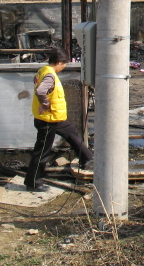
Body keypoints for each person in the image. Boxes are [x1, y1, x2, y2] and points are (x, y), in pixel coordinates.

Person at [24, 47, 94, 192]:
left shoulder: (43, 70)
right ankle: (33, 182)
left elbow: (36, 82)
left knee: (71, 132)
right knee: (42, 151)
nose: (64, 67)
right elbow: (40, 91)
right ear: (59, 62)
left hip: (55, 117)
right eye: (64, 65)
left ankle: (87, 158)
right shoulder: (50, 75)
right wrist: (45, 103)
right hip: (48, 119)